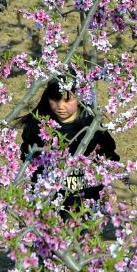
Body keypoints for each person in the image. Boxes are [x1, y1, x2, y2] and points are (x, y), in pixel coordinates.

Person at [19, 78, 119, 211]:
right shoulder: (38, 125)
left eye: (67, 100)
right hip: (47, 193)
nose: (60, 106)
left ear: (80, 97)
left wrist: (108, 186)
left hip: (84, 195)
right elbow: (27, 156)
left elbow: (108, 157)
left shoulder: (91, 125)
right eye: (55, 100)